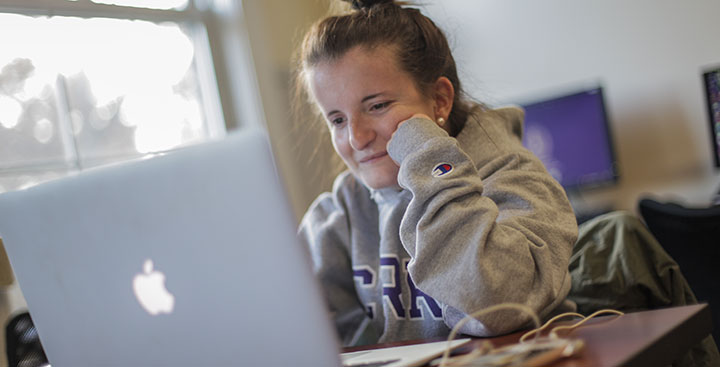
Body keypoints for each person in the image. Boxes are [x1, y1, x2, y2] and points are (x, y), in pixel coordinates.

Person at [294, 0, 578, 346]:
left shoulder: (514, 176)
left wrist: (428, 159)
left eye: (377, 106)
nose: (357, 137)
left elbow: (494, 307)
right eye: (337, 119)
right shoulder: (343, 208)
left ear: (440, 100)